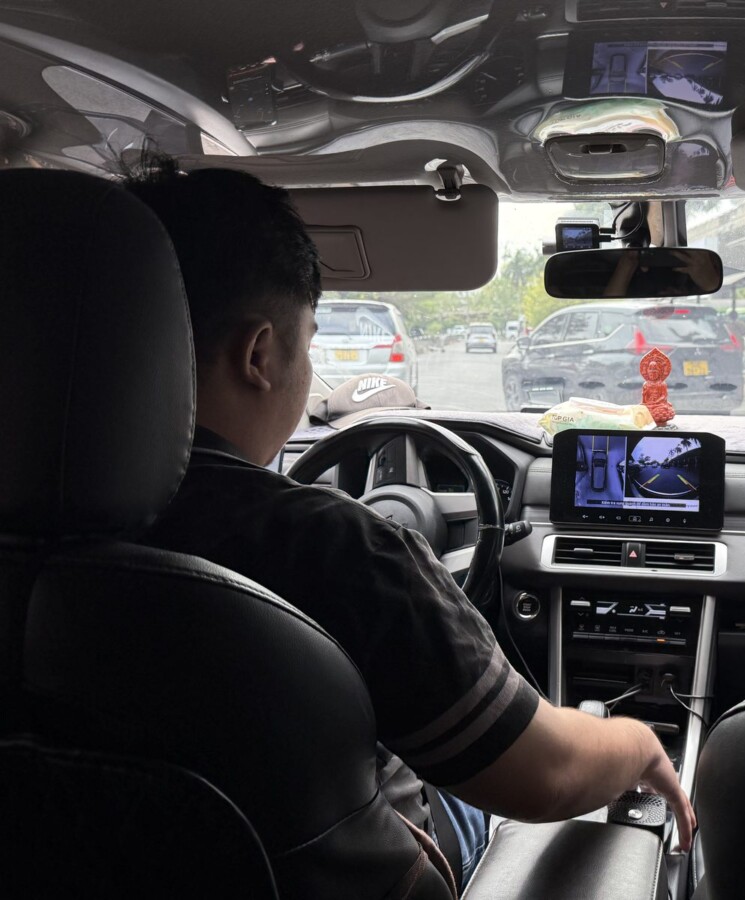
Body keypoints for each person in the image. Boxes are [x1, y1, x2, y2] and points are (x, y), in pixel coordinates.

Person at [125, 158, 695, 890]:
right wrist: (638, 742)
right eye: (311, 340)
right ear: (260, 355)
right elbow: (547, 775)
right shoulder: (335, 547)